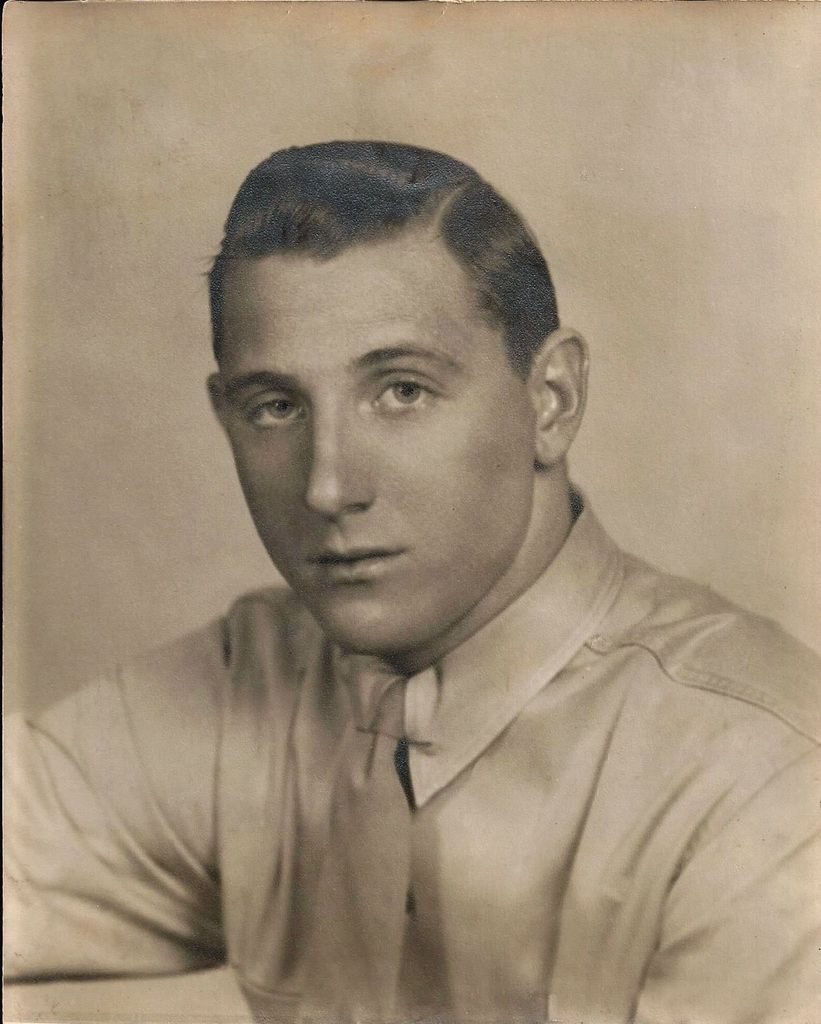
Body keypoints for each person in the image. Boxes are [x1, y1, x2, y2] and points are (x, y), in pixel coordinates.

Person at [5, 141, 819, 1024]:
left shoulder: (762, 782)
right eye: (275, 406)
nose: (327, 487)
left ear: (550, 399)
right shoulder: (257, 672)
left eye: (401, 391)